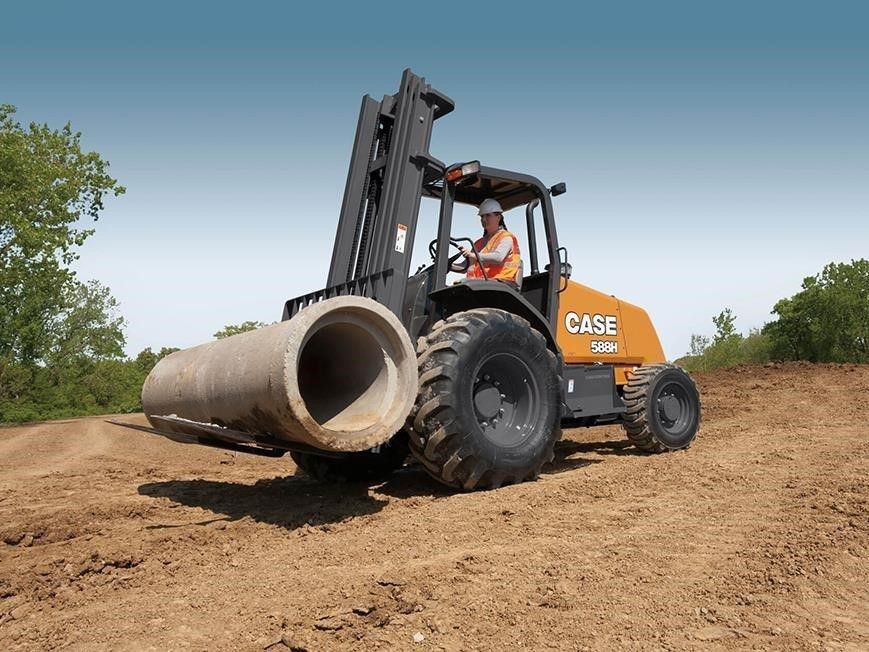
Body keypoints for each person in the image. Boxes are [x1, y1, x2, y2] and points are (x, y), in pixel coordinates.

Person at [452, 198, 523, 288]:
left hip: (502, 283)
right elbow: (464, 267)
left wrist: (472, 255)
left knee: (462, 286)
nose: (484, 219)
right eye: (482, 216)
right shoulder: (478, 243)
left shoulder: (506, 237)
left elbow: (498, 257)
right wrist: (448, 265)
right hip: (483, 283)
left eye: (488, 215)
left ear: (498, 217)